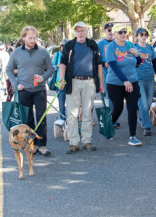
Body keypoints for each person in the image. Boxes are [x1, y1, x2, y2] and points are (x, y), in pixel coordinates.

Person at [6, 26, 55, 156]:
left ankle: (42, 145)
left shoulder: (43, 51)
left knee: (41, 118)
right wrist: (16, 84)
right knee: (28, 120)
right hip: (24, 91)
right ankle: (32, 146)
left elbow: (51, 68)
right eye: (30, 38)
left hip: (39, 90)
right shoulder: (16, 52)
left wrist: (43, 77)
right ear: (23, 38)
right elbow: (9, 70)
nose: (33, 40)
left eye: (34, 37)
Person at [58, 22, 104, 154]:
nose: (80, 33)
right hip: (73, 82)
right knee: (72, 114)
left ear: (86, 31)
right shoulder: (69, 45)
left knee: (87, 113)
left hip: (89, 82)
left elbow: (99, 64)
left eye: (82, 30)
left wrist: (100, 83)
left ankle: (86, 141)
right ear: (74, 32)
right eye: (77, 30)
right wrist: (61, 79)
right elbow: (62, 63)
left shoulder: (92, 45)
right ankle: (73, 143)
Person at [105, 24, 143, 146]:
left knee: (132, 108)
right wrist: (124, 80)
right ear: (114, 34)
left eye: (124, 32)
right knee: (118, 108)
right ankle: (109, 125)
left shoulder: (130, 45)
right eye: (120, 32)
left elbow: (138, 62)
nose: (123, 34)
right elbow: (113, 65)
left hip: (132, 81)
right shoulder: (110, 47)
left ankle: (132, 136)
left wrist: (137, 55)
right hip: (115, 83)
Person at [135, 27, 156, 136]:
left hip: (150, 79)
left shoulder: (150, 48)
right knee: (144, 105)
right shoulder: (134, 48)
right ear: (137, 36)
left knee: (149, 102)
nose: (144, 37)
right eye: (141, 35)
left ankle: (142, 117)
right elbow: (130, 63)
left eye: (145, 35)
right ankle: (147, 126)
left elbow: (155, 64)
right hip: (138, 79)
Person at [97, 22, 114, 109]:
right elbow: (96, 59)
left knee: (117, 96)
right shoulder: (100, 44)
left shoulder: (117, 42)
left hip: (116, 72)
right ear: (105, 31)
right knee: (109, 94)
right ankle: (111, 117)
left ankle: (113, 116)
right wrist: (104, 64)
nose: (111, 32)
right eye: (109, 30)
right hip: (105, 73)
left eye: (113, 30)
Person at [52, 39, 69, 120]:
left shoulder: (72, 55)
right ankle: (63, 121)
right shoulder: (57, 55)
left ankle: (71, 123)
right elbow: (52, 68)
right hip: (59, 82)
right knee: (61, 104)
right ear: (60, 47)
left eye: (66, 46)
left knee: (72, 105)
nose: (64, 48)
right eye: (63, 46)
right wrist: (58, 65)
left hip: (70, 82)